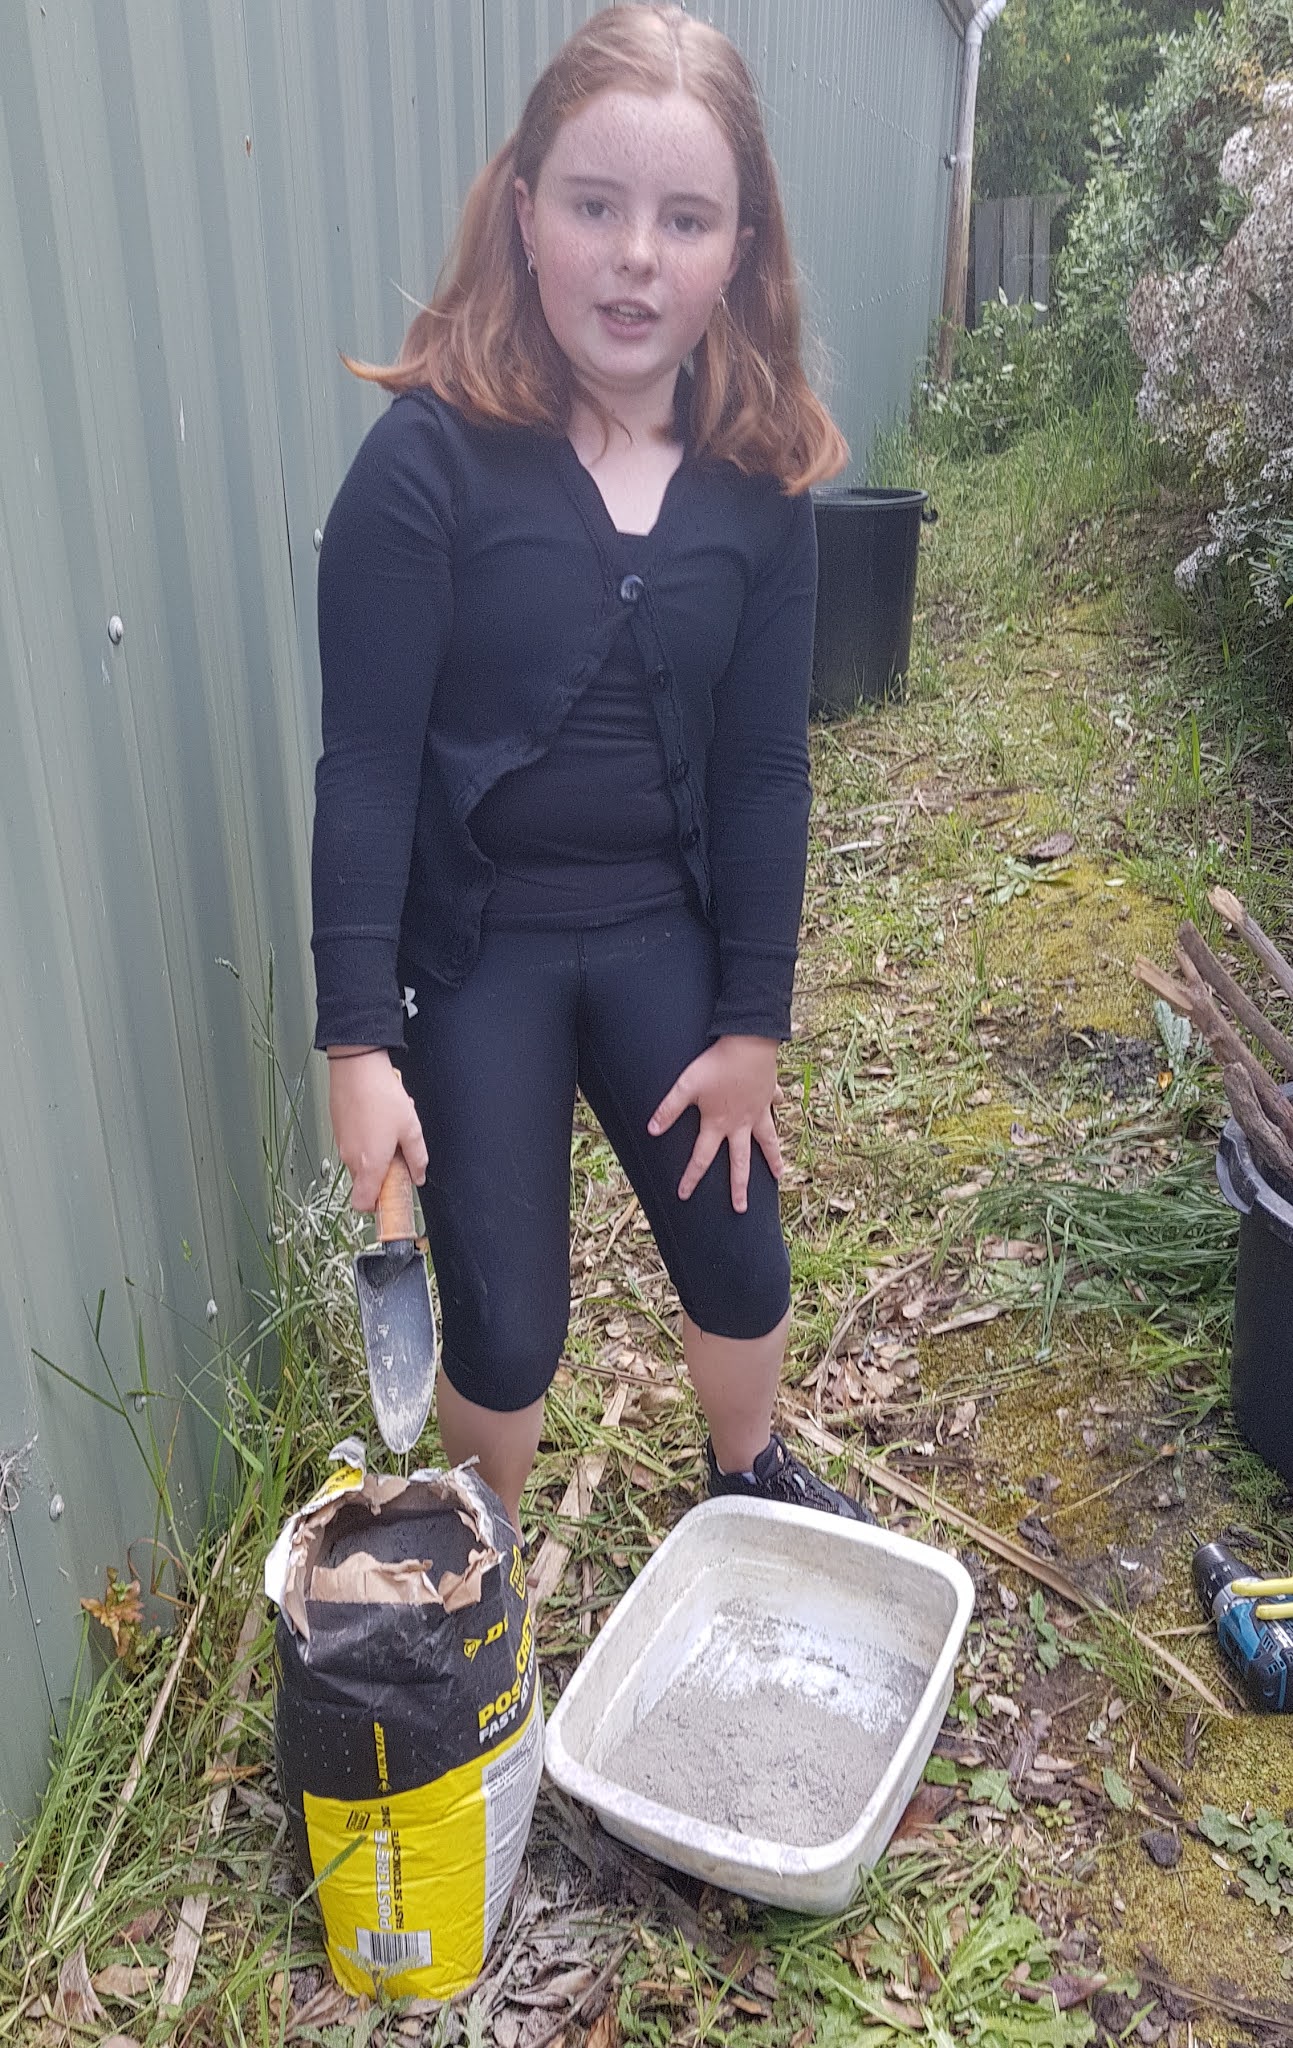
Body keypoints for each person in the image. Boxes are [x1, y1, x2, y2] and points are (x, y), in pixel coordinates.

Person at [312, 2, 872, 1539]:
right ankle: (480, 1554)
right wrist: (358, 1046)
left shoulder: (761, 485)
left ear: (739, 249)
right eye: (594, 205)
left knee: (738, 1247)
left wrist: (750, 1023)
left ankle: (745, 1470)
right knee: (507, 1323)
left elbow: (763, 775)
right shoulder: (422, 467)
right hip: (475, 955)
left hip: (658, 937)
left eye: (683, 219)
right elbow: (365, 768)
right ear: (523, 214)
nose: (635, 256)